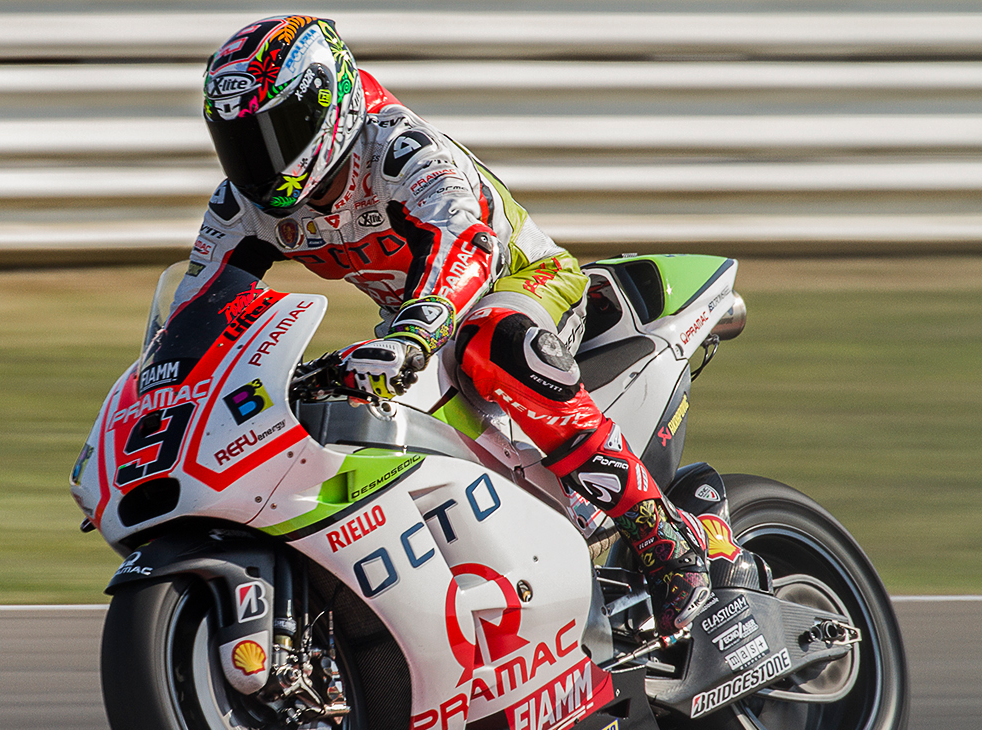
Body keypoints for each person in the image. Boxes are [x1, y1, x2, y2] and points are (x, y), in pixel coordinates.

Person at [179, 15, 712, 634]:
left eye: (275, 132)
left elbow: (464, 238)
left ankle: (663, 535)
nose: (257, 160)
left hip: (520, 282)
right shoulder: (240, 207)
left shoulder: (397, 148)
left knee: (494, 341)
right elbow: (197, 310)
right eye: (240, 140)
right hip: (415, 323)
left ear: (325, 106)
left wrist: (417, 330)